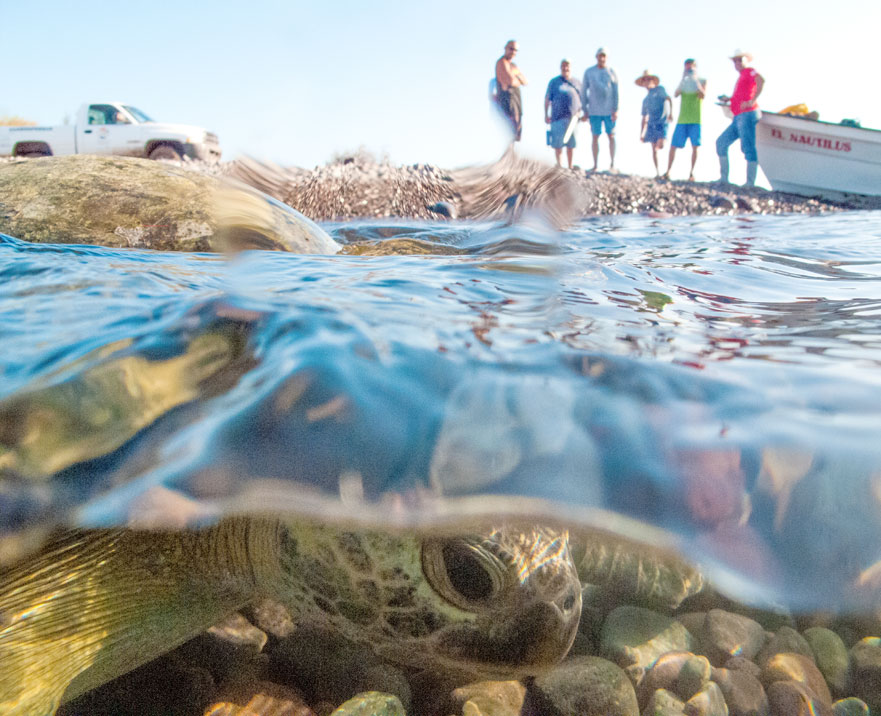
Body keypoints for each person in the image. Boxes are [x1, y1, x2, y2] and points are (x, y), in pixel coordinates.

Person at [716, 49, 764, 187]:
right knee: (721, 143)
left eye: (740, 59)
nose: (737, 63)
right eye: (735, 60)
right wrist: (729, 99)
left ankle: (750, 183)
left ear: (746, 60)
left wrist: (752, 100)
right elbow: (740, 95)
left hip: (747, 114)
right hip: (737, 116)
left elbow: (761, 81)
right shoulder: (742, 76)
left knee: (747, 147)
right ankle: (724, 179)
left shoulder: (750, 72)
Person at [665, 58, 706, 181]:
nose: (689, 69)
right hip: (682, 119)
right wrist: (683, 79)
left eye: (691, 66)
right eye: (687, 66)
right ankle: (668, 171)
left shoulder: (702, 81)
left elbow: (702, 95)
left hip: (695, 119)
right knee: (673, 146)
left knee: (695, 146)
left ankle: (691, 173)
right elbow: (676, 94)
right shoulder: (684, 82)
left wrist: (695, 81)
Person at [581, 47, 619, 172]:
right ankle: (595, 164)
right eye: (600, 56)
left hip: (609, 110)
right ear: (596, 57)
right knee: (595, 136)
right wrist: (585, 109)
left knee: (611, 135)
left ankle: (612, 164)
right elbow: (583, 91)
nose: (602, 58)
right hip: (594, 110)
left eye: (604, 56)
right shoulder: (589, 72)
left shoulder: (612, 72)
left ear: (606, 58)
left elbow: (616, 91)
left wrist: (616, 109)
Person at [544, 59, 583, 169]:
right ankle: (560, 165)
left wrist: (584, 113)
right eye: (563, 66)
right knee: (558, 143)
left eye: (567, 66)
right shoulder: (554, 82)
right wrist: (546, 114)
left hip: (573, 117)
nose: (565, 68)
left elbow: (583, 98)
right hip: (557, 116)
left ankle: (570, 166)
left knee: (571, 143)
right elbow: (547, 98)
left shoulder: (577, 82)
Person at [636, 70, 673, 178]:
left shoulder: (660, 90)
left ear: (653, 80)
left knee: (661, 145)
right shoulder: (646, 100)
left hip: (662, 122)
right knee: (654, 149)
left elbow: (668, 99)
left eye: (649, 79)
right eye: (645, 80)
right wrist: (641, 133)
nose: (647, 82)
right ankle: (657, 172)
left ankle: (667, 170)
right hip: (651, 124)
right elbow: (644, 117)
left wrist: (671, 113)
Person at [495, 40, 528, 141]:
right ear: (505, 48)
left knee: (517, 125)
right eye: (511, 49)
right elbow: (510, 81)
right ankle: (509, 149)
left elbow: (525, 82)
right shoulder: (501, 62)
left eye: (515, 50)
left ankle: (513, 149)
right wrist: (516, 77)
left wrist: (515, 76)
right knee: (510, 125)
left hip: (516, 98)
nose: (513, 52)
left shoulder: (513, 65)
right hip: (507, 98)